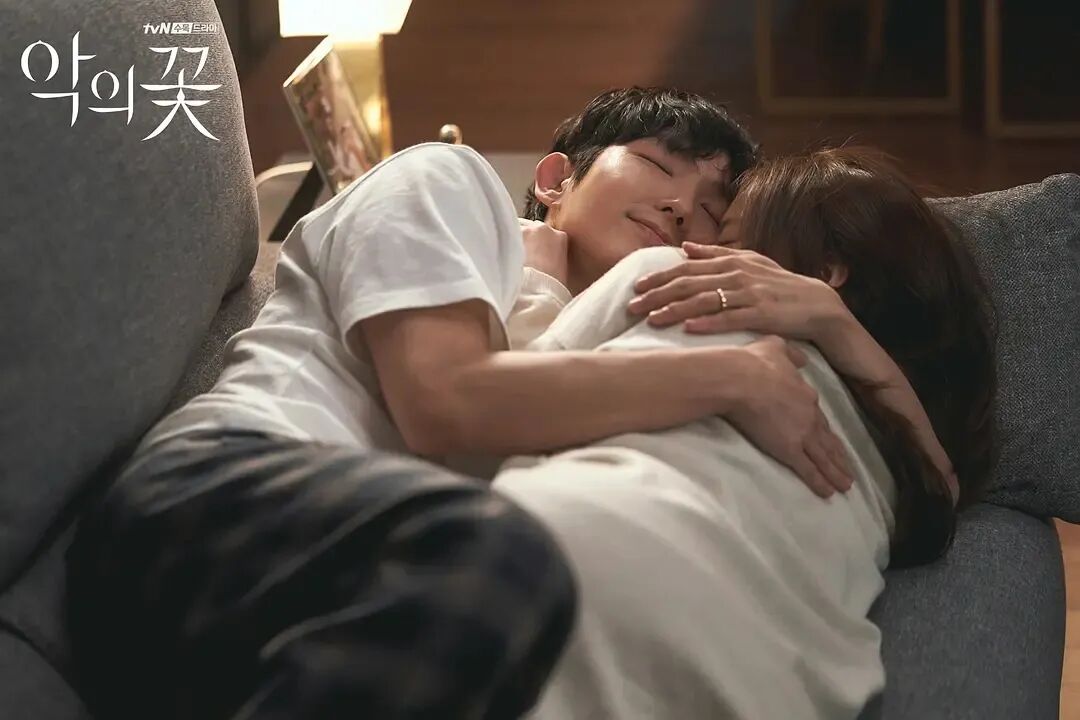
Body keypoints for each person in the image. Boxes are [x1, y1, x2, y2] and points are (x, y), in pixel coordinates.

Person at [67, 87, 811, 720]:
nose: (680, 206)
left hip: (359, 595)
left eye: (711, 209)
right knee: (507, 558)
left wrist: (833, 325)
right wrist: (733, 375)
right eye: (658, 165)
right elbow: (445, 403)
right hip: (215, 492)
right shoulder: (447, 181)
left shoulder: (609, 340)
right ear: (556, 178)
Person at [490, 146, 997, 718]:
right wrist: (838, 325)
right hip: (765, 684)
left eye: (727, 237)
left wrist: (538, 280)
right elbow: (942, 489)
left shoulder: (675, 275)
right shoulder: (903, 457)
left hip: (561, 551)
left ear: (824, 273)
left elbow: (494, 409)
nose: (693, 238)